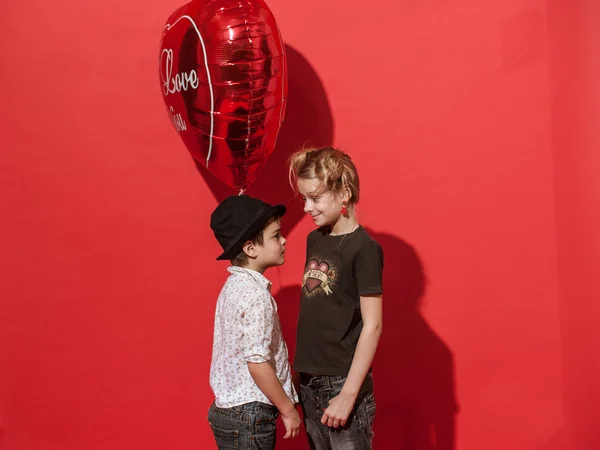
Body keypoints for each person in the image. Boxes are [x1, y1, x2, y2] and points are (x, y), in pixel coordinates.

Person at [289, 147, 384, 449]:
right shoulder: (314, 239)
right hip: (308, 382)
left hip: (342, 383)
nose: (306, 207)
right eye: (304, 198)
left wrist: (348, 395)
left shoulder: (364, 249)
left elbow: (373, 326)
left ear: (343, 193)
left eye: (314, 198)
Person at [207, 195, 301, 449]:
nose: (283, 241)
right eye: (275, 236)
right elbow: (257, 363)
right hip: (250, 414)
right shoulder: (256, 295)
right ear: (250, 249)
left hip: (226, 410)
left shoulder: (232, 286)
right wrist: (288, 409)